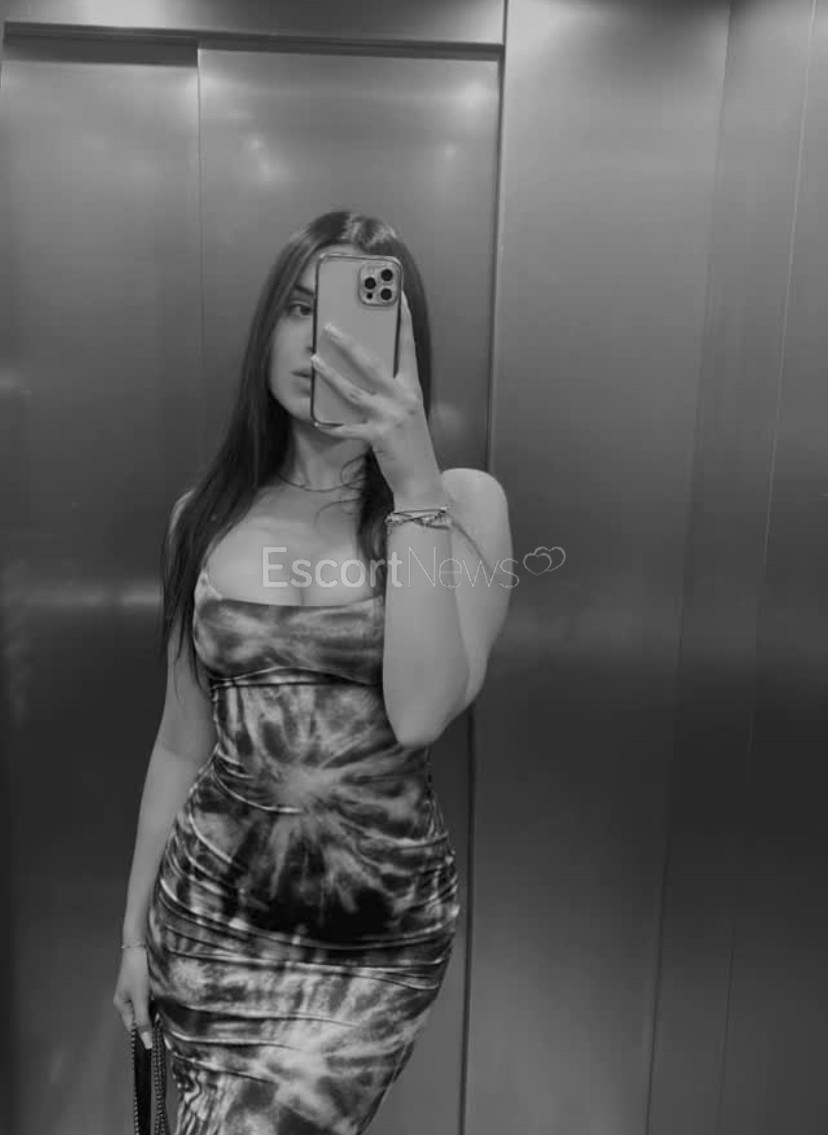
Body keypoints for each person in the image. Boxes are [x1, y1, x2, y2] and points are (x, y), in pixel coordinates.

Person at [112, 209, 512, 1134]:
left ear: (404, 345)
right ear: (266, 329)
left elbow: (421, 713)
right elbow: (180, 743)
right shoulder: (202, 517)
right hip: (211, 916)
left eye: (357, 314)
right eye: (299, 307)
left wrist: (414, 485)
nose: (320, 338)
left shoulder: (464, 504)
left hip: (372, 937)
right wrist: (133, 933)